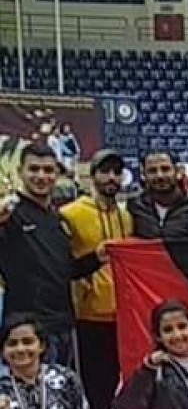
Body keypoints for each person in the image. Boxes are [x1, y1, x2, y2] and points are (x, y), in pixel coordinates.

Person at [60, 150, 133, 409]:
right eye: (105, 172)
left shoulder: (125, 216)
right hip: (87, 316)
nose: (111, 178)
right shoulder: (71, 214)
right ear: (92, 176)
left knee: (110, 384)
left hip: (120, 315)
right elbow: (64, 265)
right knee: (91, 387)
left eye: (117, 172)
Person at [0, 143, 108, 369]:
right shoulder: (8, 215)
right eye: (34, 169)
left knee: (65, 387)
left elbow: (66, 270)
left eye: (48, 170)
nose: (41, 176)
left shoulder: (58, 219)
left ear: (57, 174)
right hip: (26, 332)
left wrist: (97, 258)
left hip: (63, 325)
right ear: (20, 172)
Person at [128, 151, 188, 239]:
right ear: (144, 175)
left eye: (165, 169)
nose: (159, 176)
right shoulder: (134, 207)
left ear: (178, 172)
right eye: (152, 171)